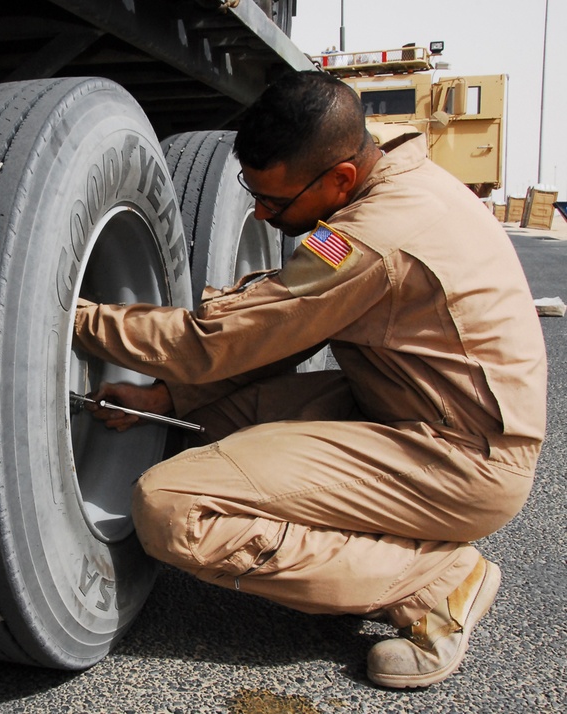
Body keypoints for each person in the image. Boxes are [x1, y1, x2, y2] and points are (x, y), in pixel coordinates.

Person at [72, 70, 546, 689]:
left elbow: (216, 342)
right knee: (211, 419)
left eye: (277, 203)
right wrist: (165, 398)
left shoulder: (371, 239)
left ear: (341, 178)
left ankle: (435, 583)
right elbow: (284, 334)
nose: (266, 215)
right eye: (255, 196)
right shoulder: (393, 180)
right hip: (405, 402)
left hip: (460, 456)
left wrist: (74, 317)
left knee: (171, 506)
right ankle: (389, 549)